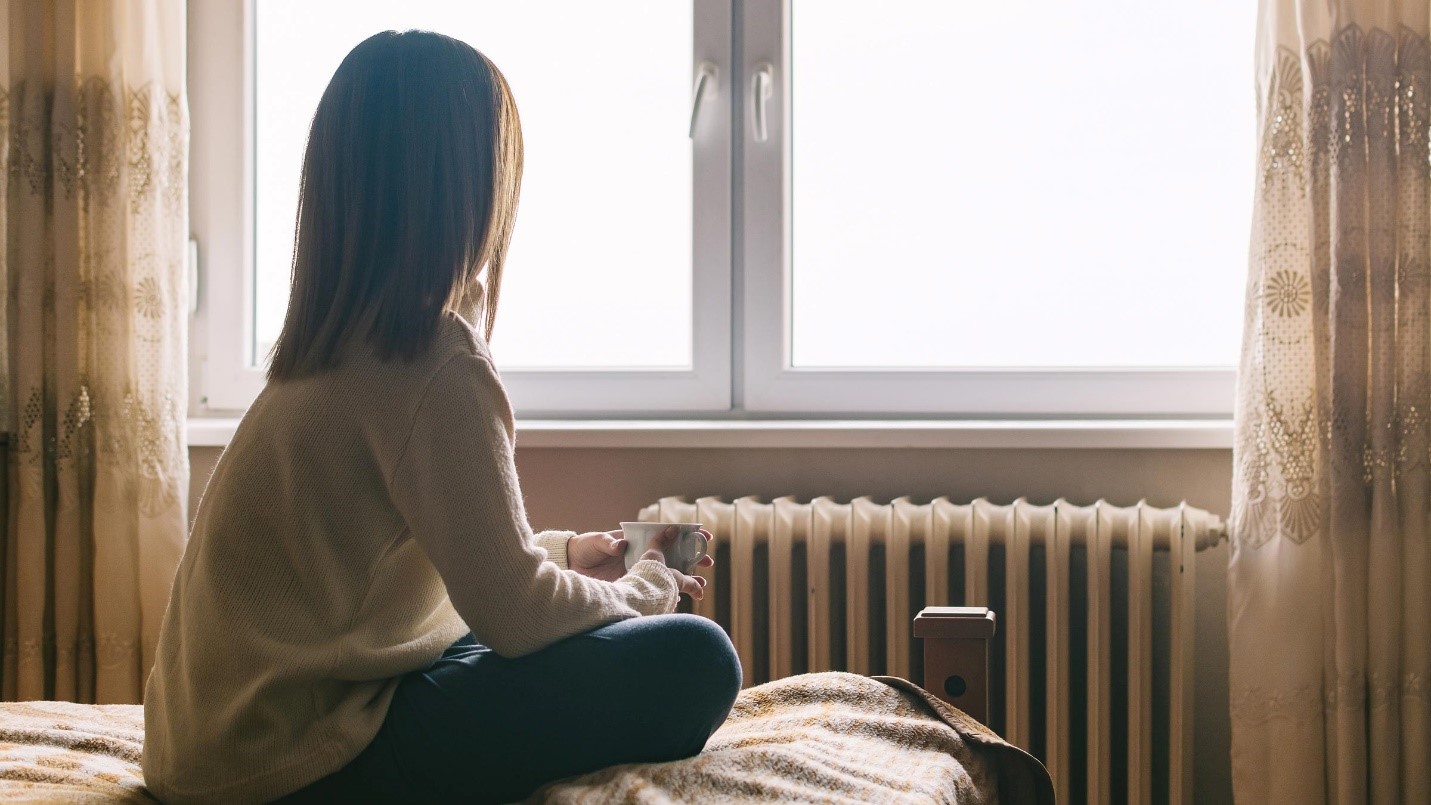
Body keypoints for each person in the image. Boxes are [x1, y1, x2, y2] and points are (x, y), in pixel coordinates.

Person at [142, 29, 741, 804]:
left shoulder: (328, 348)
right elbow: (514, 615)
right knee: (695, 658)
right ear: (466, 185)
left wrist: (560, 552)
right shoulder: (432, 356)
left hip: (209, 748)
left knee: (504, 645)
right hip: (290, 765)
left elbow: (407, 574)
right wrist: (649, 582)